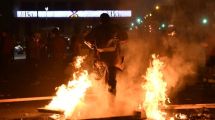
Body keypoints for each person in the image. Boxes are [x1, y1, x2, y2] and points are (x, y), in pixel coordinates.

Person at [85, 13, 128, 95]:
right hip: (114, 57)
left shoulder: (97, 28)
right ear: (109, 19)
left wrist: (93, 46)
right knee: (111, 77)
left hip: (100, 57)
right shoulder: (115, 27)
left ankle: (105, 97)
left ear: (100, 20)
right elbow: (125, 38)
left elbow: (86, 39)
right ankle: (111, 98)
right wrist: (118, 41)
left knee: (101, 76)